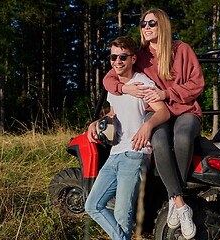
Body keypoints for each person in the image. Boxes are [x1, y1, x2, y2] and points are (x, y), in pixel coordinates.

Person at [102, 9, 204, 240]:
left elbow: (196, 84)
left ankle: (172, 197)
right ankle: (180, 203)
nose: (146, 27)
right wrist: (124, 88)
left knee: (184, 138)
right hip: (157, 112)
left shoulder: (182, 50)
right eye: (143, 23)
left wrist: (166, 92)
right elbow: (110, 77)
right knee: (158, 139)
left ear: (163, 26)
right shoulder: (140, 55)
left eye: (152, 23)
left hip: (185, 109)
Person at [84, 36, 170, 240]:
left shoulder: (142, 83)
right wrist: (95, 122)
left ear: (133, 59)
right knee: (92, 205)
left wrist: (147, 126)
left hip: (135, 153)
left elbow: (163, 112)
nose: (117, 61)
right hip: (115, 153)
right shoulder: (113, 86)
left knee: (123, 215)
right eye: (113, 57)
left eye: (123, 57)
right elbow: (114, 112)